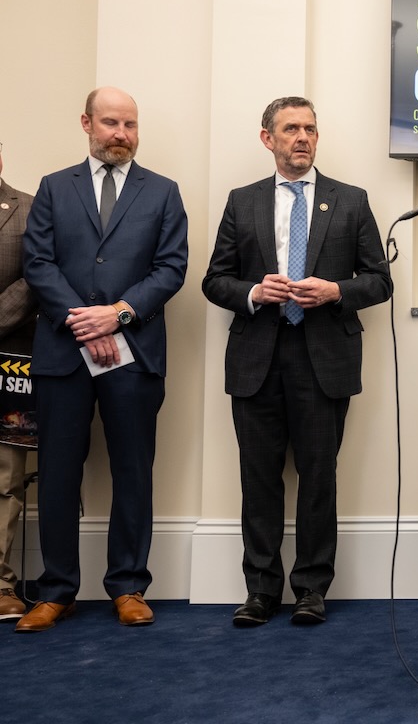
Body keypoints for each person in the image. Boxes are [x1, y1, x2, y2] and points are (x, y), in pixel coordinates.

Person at [202, 97, 392, 627]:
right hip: (257, 356)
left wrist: (335, 289)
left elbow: (379, 281)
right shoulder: (243, 202)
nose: (302, 138)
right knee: (258, 479)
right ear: (268, 139)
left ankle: (311, 589)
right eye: (291, 129)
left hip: (324, 356)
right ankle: (261, 591)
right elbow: (214, 281)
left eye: (310, 129)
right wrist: (254, 292)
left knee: (318, 478)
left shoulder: (350, 201)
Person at [16, 88, 188, 632]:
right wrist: (82, 319)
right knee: (60, 473)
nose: (122, 133)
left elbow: (171, 268)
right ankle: (56, 590)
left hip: (132, 353)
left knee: (133, 470)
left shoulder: (163, 192)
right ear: (87, 123)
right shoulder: (52, 187)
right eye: (111, 122)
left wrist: (118, 314)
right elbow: (37, 261)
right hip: (64, 352)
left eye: (131, 124)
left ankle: (129, 585)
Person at [0, 141, 37, 621]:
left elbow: (35, 279)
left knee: (7, 475)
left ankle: (1, 583)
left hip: (10, 358)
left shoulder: (29, 210)